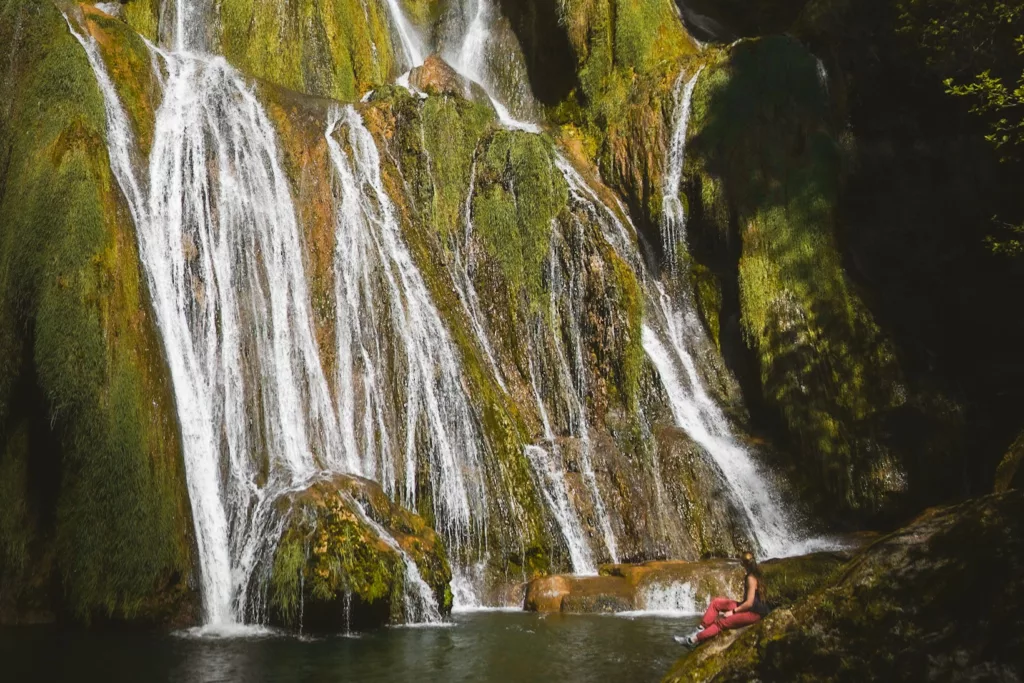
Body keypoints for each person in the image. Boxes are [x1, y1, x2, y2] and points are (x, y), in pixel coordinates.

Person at [674, 552, 770, 647]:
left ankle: (692, 640)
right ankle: (700, 629)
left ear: (744, 564)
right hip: (747, 608)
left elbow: (749, 603)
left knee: (721, 622)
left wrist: (733, 612)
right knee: (716, 603)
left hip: (755, 613)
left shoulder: (751, 578)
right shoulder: (755, 573)